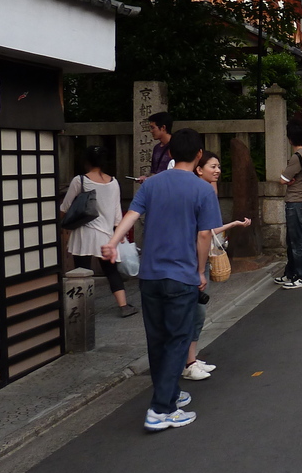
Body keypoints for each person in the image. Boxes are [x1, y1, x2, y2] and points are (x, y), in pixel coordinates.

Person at [102, 128, 221, 432]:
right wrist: (198, 271)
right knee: (179, 339)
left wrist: (113, 242)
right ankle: (161, 410)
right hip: (181, 276)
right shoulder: (203, 190)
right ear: (198, 156)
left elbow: (130, 215)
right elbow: (205, 234)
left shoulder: (152, 184)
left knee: (157, 340)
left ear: (169, 153)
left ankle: (168, 394)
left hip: (150, 274)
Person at [182, 151, 252, 381]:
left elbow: (209, 230)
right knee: (195, 310)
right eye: (213, 166)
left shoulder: (208, 189)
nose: (217, 170)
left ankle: (192, 358)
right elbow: (205, 232)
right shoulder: (198, 192)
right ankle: (188, 362)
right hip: (193, 260)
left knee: (198, 311)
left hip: (198, 258)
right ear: (198, 169)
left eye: (219, 166)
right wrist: (233, 224)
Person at [60, 145, 137, 318]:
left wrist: (60, 220)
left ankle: (82, 308)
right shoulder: (114, 182)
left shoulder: (80, 180)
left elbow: (65, 207)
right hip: (106, 235)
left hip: (84, 232)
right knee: (111, 271)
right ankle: (124, 306)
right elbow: (118, 215)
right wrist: (120, 233)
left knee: (81, 271)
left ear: (86, 161)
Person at [275, 124, 302, 289]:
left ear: (290, 138)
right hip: (301, 201)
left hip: (296, 202)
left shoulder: (297, 156)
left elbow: (283, 179)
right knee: (293, 241)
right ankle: (290, 273)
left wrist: (286, 178)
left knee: (298, 241)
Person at [147, 112, 173, 176]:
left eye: (153, 128)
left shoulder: (176, 146)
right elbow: (153, 171)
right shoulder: (156, 148)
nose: (151, 131)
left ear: (163, 128)